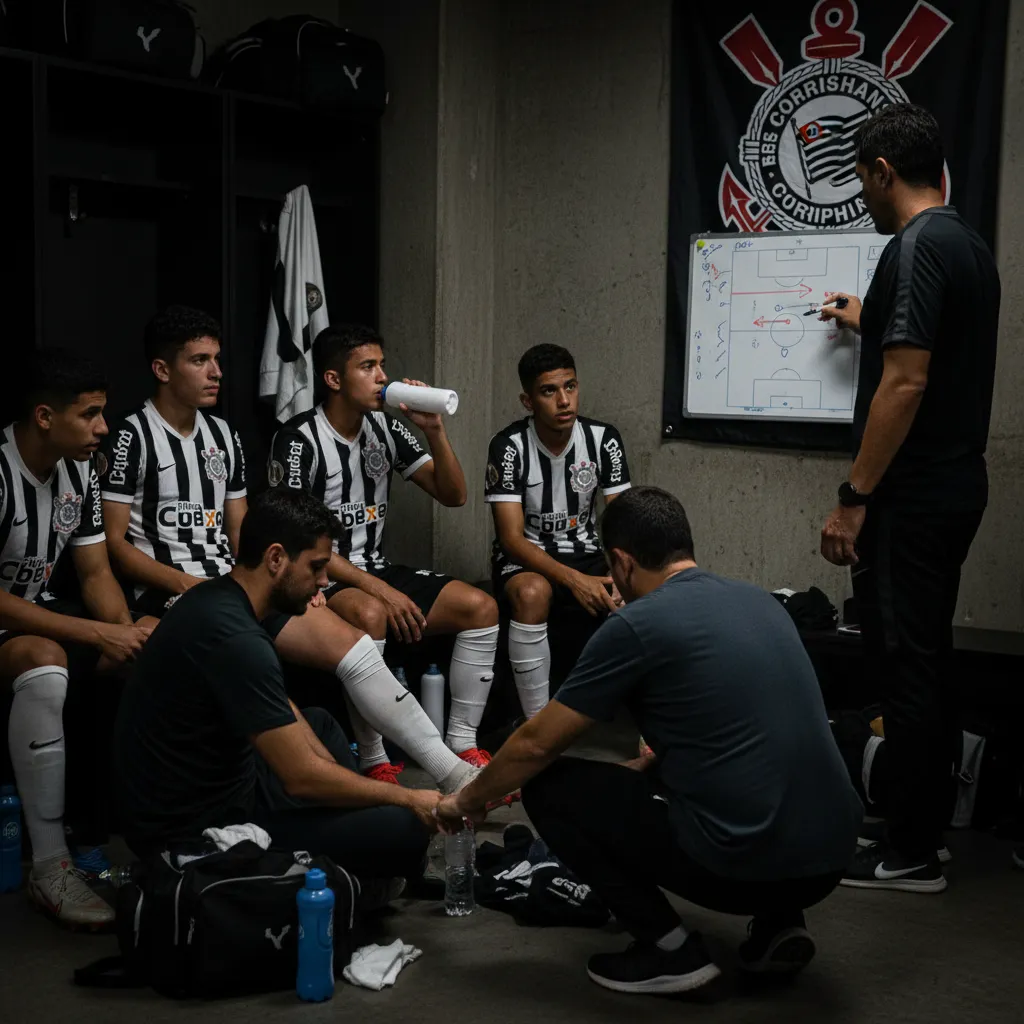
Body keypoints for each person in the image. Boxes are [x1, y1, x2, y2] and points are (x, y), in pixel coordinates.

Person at [439, 487, 862, 996]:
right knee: (756, 773)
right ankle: (779, 925)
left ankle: (670, 950)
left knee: (550, 788)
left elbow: (535, 744)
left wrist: (467, 800)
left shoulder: (638, 623)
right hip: (832, 856)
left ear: (621, 562)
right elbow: (741, 731)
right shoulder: (760, 601)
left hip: (745, 866)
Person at [100, 307, 478, 796]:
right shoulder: (130, 436)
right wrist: (192, 586)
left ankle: (451, 772)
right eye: (200, 360)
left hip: (234, 587)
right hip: (170, 594)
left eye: (217, 359)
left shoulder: (223, 435)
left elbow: (245, 533)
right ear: (162, 369)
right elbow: (115, 544)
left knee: (355, 648)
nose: (216, 372)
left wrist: (288, 581)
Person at [817, 104, 999, 892]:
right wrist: (871, 320)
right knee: (925, 658)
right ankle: (920, 824)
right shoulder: (964, 243)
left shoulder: (916, 247)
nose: (863, 192)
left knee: (904, 668)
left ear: (883, 172)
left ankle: (911, 850)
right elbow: (934, 351)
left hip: (912, 497)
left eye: (862, 177)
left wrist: (854, 496)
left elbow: (908, 381)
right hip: (954, 485)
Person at [114, 487, 443, 881]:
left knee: (320, 723)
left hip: (228, 780)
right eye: (316, 567)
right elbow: (301, 777)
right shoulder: (236, 638)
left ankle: (355, 856)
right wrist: (409, 798)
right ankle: (356, 867)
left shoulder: (221, 599)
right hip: (198, 827)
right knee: (404, 827)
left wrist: (344, 792)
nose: (324, 581)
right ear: (275, 559)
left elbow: (278, 707)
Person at [268, 323, 501, 774]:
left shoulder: (386, 428)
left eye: (382, 365)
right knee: (371, 613)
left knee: (481, 607)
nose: (382, 377)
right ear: (333, 379)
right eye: (368, 367)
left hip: (374, 566)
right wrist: (380, 590)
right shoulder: (298, 439)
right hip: (322, 576)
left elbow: (454, 495)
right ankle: (374, 760)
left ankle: (462, 741)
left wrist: (434, 430)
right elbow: (294, 536)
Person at [1, 349, 153, 928]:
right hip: (15, 626)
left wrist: (125, 634)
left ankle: (126, 839)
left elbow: (94, 573)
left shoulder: (78, 468)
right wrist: (96, 632)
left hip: (36, 612)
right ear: (45, 417)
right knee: (46, 661)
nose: (103, 427)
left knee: (153, 641)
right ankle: (50, 866)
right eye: (89, 414)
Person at [485, 344, 631, 719]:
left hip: (586, 552)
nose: (564, 401)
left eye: (570, 387)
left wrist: (621, 575)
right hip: (527, 557)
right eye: (549, 391)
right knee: (532, 593)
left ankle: (648, 730)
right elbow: (511, 539)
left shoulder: (603, 439)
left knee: (643, 591)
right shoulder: (509, 446)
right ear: (528, 401)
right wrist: (575, 581)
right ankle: (537, 724)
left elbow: (623, 521)